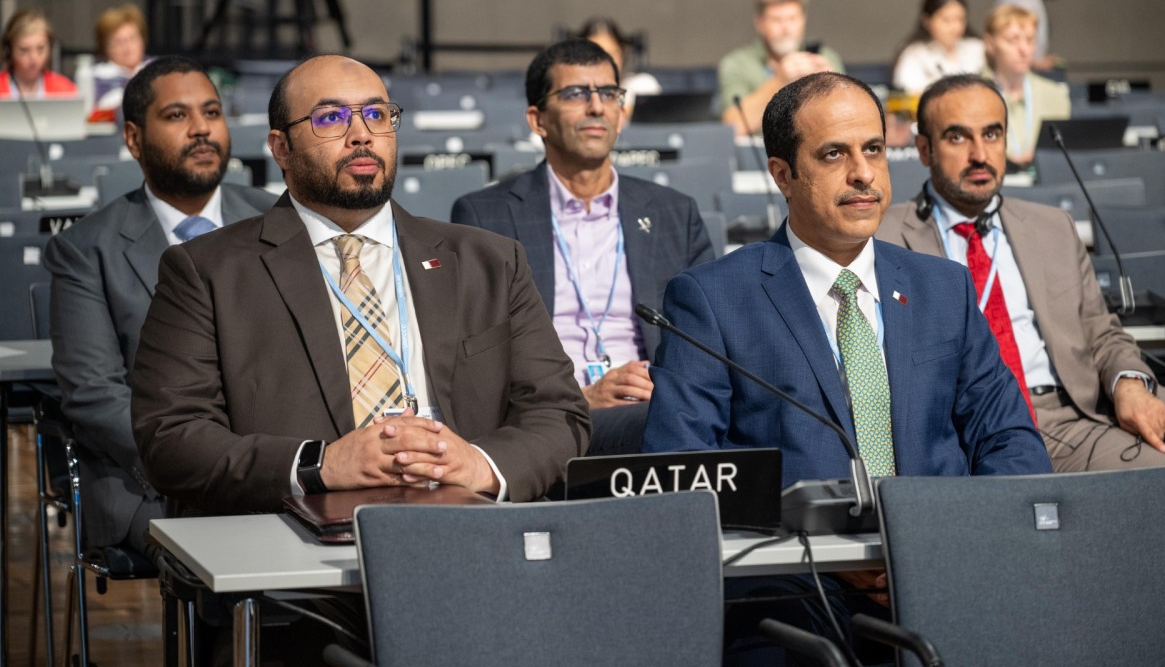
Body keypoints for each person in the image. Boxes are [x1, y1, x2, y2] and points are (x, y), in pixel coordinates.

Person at [642, 71, 1049, 664]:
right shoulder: (711, 299)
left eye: (874, 150)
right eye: (834, 154)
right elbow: (681, 475)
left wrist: (950, 547)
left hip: (950, 570)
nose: (863, 174)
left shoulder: (945, 289)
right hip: (794, 591)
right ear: (782, 174)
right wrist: (830, 550)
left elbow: (1009, 439)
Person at [131, 54, 590, 517]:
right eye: (330, 118)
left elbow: (558, 411)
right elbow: (171, 440)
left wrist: (480, 466)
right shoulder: (207, 272)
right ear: (281, 148)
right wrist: (321, 464)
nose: (362, 134)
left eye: (377, 114)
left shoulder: (489, 261)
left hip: (471, 529)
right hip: (298, 546)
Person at [876, 73, 1165, 472]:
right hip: (961, 433)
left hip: (1069, 421)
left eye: (992, 135)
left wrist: (1128, 383)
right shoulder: (885, 236)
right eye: (957, 138)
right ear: (924, 149)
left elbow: (1101, 331)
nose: (979, 154)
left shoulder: (1052, 227)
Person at [44, 56, 276, 558]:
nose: (201, 130)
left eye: (212, 112)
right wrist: (207, 456)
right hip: (156, 480)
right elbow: (92, 395)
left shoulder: (273, 220)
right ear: (133, 138)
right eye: (177, 116)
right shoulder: (86, 249)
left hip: (273, 466)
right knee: (237, 548)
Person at [452, 39, 714, 454]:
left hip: (655, 407)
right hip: (549, 421)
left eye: (608, 93)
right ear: (538, 120)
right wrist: (578, 399)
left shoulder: (673, 213)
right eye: (576, 93)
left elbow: (704, 340)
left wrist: (663, 388)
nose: (597, 107)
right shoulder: (486, 217)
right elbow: (478, 363)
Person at [718, 0, 844, 137]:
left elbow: (845, 122)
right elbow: (733, 127)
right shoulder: (737, 63)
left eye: (792, 19)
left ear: (803, 20)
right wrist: (779, 81)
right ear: (760, 23)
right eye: (777, 20)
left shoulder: (825, 57)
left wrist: (831, 85)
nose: (786, 28)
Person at [983, 4, 1070, 167]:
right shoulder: (971, 95)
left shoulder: (1055, 94)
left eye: (1030, 40)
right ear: (990, 44)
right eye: (1012, 40)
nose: (1024, 49)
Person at [891, 0, 985, 95]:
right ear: (926, 21)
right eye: (946, 20)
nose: (955, 27)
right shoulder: (914, 54)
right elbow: (908, 94)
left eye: (960, 19)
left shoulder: (977, 48)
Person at [575, 17, 662, 113]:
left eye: (611, 53)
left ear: (622, 54)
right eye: (594, 53)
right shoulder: (572, 92)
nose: (604, 61)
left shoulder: (642, 85)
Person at [90, 3, 153, 113]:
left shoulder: (160, 68)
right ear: (104, 47)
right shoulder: (92, 77)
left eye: (132, 38)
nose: (127, 47)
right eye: (118, 42)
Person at [0, 9, 77, 98]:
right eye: (24, 50)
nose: (34, 57)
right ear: (9, 51)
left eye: (40, 49)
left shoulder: (65, 90)